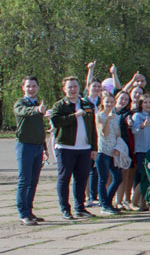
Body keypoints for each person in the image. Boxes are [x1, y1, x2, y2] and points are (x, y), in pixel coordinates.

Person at [49, 76, 97, 220]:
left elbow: (93, 128)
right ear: (64, 89)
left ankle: (80, 208)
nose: (73, 89)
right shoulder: (60, 105)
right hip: (65, 147)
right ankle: (65, 209)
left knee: (81, 179)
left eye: (75, 86)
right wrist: (74, 116)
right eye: (69, 87)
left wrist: (94, 147)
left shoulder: (87, 104)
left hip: (84, 147)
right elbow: (56, 122)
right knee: (64, 178)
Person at [13, 76, 48, 225]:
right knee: (24, 180)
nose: (31, 89)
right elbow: (23, 112)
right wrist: (37, 109)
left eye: (34, 86)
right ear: (23, 88)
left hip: (37, 146)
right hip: (24, 146)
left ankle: (29, 210)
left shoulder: (38, 104)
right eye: (28, 86)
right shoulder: (21, 103)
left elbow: (40, 129)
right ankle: (23, 213)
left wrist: (45, 148)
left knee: (33, 181)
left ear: (38, 87)